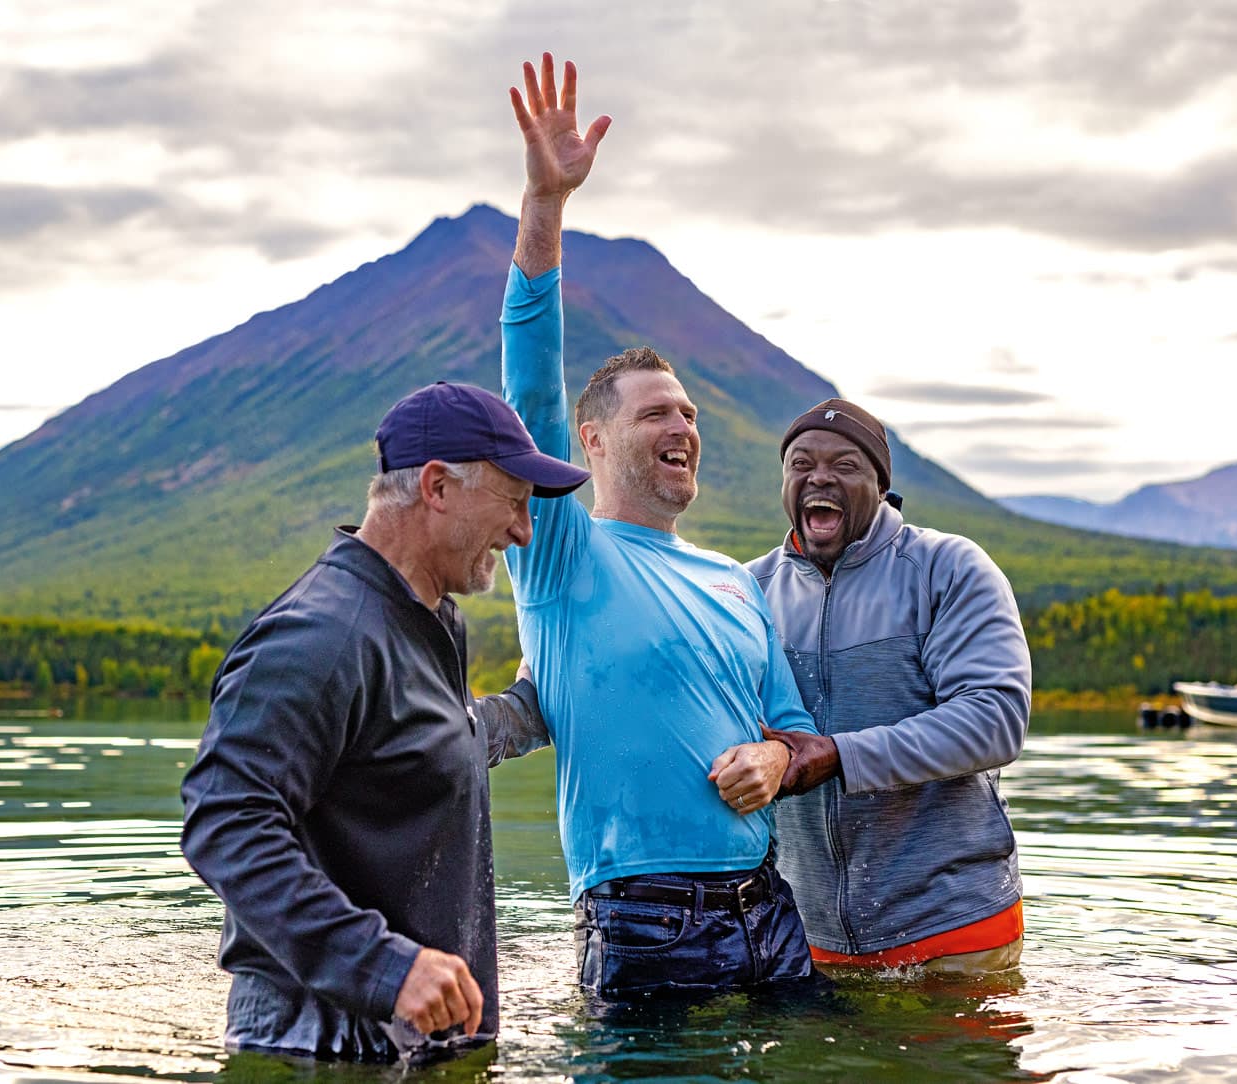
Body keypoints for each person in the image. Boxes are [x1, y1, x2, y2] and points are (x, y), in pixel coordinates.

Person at [500, 54, 819, 998]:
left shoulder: (735, 579)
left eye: (689, 414)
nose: (683, 426)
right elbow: (527, 372)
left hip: (769, 908)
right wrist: (545, 206)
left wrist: (772, 757)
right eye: (656, 414)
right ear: (591, 441)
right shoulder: (563, 555)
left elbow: (794, 730)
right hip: (644, 916)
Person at [180, 380, 588, 1063]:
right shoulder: (320, 635)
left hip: (406, 1044)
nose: (522, 531)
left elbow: (419, 746)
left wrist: (523, 711)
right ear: (437, 487)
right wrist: (384, 967)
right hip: (318, 1049)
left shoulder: (425, 621)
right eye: (514, 503)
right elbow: (224, 819)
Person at [747, 399, 1032, 973]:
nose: (819, 477)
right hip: (806, 940)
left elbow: (995, 719)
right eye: (801, 463)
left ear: (880, 486)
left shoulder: (947, 568)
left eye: (846, 465)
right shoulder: (746, 591)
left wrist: (839, 756)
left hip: (957, 931)